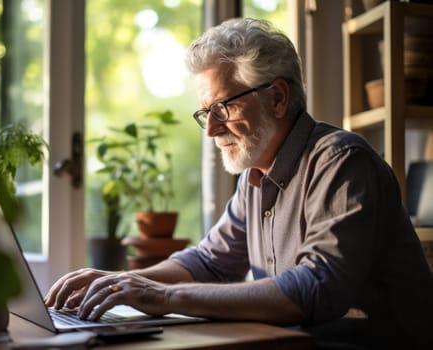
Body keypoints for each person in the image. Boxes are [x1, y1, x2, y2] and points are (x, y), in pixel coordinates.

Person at [45, 18, 433, 349]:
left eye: (222, 108)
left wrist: (161, 296)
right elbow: (210, 262)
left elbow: (315, 288)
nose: (211, 129)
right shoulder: (254, 175)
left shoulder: (342, 161)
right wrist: (120, 282)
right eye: (205, 112)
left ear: (278, 98)